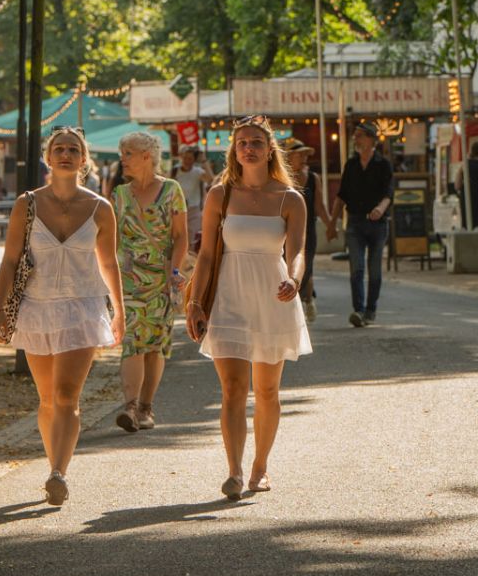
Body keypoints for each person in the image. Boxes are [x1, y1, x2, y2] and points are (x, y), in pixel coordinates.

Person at [0, 127, 125, 505]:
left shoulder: (100, 207)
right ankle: (54, 463)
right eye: (59, 149)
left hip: (83, 308)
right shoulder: (27, 204)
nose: (65, 154)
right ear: (48, 158)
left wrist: (119, 310)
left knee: (67, 395)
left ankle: (58, 473)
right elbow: (10, 260)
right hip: (37, 308)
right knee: (47, 398)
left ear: (83, 159)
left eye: (73, 150)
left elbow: (109, 263)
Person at [185, 118, 310, 499]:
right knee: (233, 389)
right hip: (229, 297)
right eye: (242, 143)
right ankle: (235, 471)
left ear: (270, 149)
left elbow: (298, 251)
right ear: (234, 151)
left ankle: (260, 466)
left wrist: (294, 279)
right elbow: (207, 255)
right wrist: (195, 302)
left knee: (267, 390)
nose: (249, 148)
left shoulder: (290, 198)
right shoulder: (220, 195)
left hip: (273, 297)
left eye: (256, 142)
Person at [109, 131, 187, 433]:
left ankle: (145, 407)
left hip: (161, 280)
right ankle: (129, 406)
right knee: (131, 341)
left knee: (155, 345)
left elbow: (180, 237)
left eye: (128, 153)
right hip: (128, 282)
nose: (123, 159)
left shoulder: (171, 190)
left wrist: (175, 273)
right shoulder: (119, 194)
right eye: (122, 153)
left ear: (147, 156)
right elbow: (112, 239)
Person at [330, 120, 393, 327]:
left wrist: (380, 209)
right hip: (355, 222)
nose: (355, 139)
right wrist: (332, 222)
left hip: (377, 224)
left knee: (374, 270)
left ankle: (370, 310)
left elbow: (389, 194)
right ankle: (358, 310)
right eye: (355, 136)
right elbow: (341, 196)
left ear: (371, 140)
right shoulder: (351, 165)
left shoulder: (383, 165)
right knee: (356, 268)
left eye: (359, 135)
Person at [283, 138, 333, 325]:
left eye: (305, 155)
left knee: (307, 266)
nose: (304, 158)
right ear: (289, 157)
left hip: (308, 229)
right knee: (286, 266)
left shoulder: (313, 178)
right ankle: (294, 304)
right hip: (285, 230)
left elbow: (320, 205)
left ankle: (308, 299)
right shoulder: (282, 179)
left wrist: (330, 225)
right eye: (300, 155)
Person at [173, 145, 209, 253]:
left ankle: (191, 261)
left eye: (190, 158)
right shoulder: (174, 171)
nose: (187, 161)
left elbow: (211, 179)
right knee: (178, 238)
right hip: (177, 210)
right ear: (181, 157)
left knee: (192, 239)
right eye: (185, 158)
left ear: (194, 160)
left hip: (194, 210)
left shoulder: (198, 172)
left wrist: (204, 161)